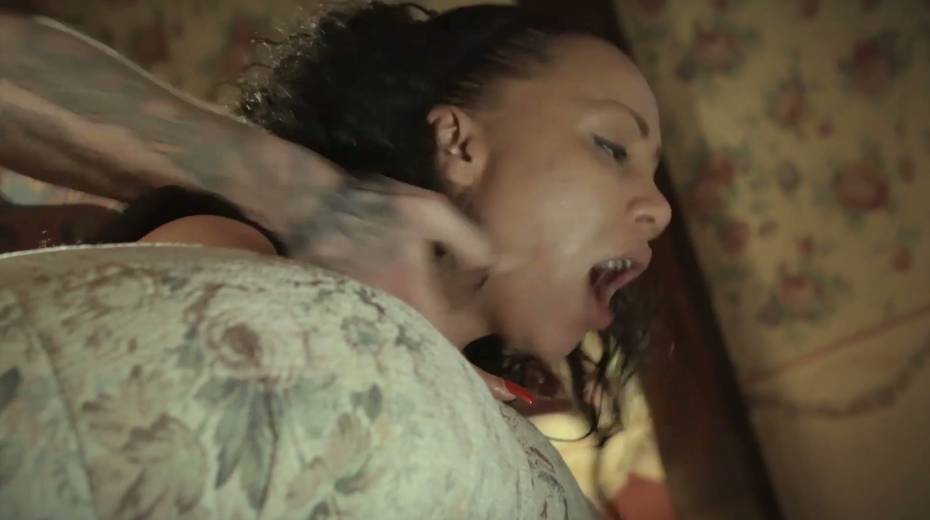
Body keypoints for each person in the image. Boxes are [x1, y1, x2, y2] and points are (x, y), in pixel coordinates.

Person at [0, 2, 670, 515]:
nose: (660, 210)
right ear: (459, 144)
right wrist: (310, 199)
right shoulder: (239, 266)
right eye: (612, 147)